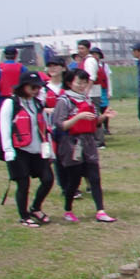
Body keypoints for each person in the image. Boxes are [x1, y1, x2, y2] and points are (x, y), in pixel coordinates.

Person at [51, 69, 115, 222]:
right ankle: (68, 209)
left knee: (94, 177)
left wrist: (103, 117)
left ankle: (100, 210)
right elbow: (60, 124)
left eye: (84, 82)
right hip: (73, 144)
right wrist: (78, 117)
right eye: (79, 82)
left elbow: (93, 123)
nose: (82, 85)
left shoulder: (87, 100)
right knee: (74, 178)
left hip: (89, 143)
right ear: (69, 83)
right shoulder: (64, 101)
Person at [0, 73, 54, 226]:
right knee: (23, 184)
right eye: (33, 87)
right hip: (19, 151)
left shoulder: (37, 104)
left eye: (38, 87)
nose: (36, 90)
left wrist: (48, 150)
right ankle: (24, 216)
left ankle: (36, 207)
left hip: (37, 150)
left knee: (48, 179)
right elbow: (4, 128)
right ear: (23, 86)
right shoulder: (11, 103)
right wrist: (8, 150)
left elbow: (44, 128)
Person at [0, 46, 26, 156]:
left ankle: (0, 145)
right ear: (16, 55)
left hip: (2, 100)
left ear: (5, 55)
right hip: (18, 101)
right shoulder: (21, 68)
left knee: (0, 124)